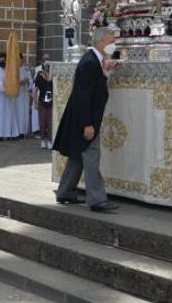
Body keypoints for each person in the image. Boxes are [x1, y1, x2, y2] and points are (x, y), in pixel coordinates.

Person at [52, 27, 120, 213]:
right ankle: (97, 200)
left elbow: (94, 86)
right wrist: (87, 124)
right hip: (85, 119)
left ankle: (65, 191)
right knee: (91, 157)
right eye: (110, 41)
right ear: (100, 42)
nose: (113, 44)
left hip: (81, 117)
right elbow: (83, 96)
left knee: (77, 156)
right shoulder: (89, 63)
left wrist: (106, 70)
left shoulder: (95, 62)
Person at [0, 56, 18, 140]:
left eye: (3, 60)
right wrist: (8, 86)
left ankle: (9, 133)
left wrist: (11, 86)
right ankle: (0, 134)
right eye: (0, 60)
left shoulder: (9, 71)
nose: (2, 61)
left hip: (8, 96)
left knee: (9, 115)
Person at [33, 60, 54, 149]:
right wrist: (35, 102)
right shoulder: (39, 76)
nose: (47, 69)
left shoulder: (53, 76)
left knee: (49, 122)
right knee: (42, 121)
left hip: (50, 101)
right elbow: (35, 90)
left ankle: (49, 140)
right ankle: (42, 140)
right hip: (42, 101)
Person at [32, 54, 50, 134]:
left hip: (48, 94)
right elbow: (35, 83)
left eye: (48, 59)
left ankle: (46, 130)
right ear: (42, 60)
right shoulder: (38, 69)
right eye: (45, 59)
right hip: (39, 92)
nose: (46, 60)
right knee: (39, 114)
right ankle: (37, 129)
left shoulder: (51, 69)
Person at [16, 54, 31, 138]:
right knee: (19, 113)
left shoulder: (26, 70)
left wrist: (28, 82)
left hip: (25, 94)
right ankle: (18, 131)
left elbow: (31, 81)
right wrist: (21, 82)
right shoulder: (14, 70)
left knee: (24, 113)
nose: (20, 61)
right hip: (18, 95)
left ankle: (23, 131)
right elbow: (13, 82)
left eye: (21, 59)